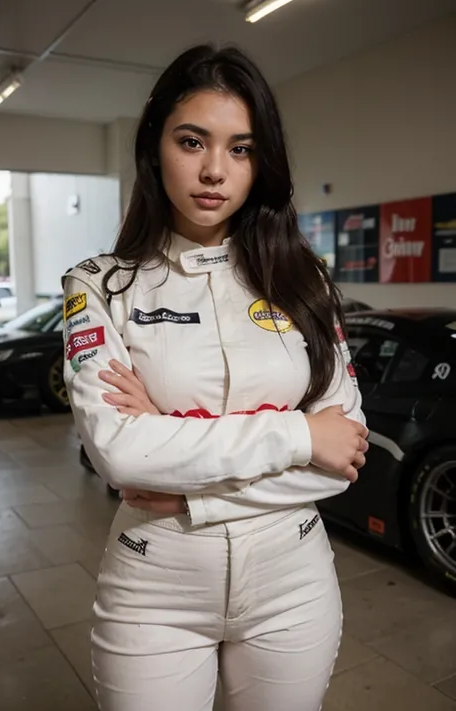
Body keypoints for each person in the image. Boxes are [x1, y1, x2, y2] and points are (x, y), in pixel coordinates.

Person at [62, 44, 368, 711]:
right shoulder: (99, 286)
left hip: (295, 582)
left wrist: (181, 466)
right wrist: (299, 434)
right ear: (155, 146)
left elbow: (344, 453)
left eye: (241, 149)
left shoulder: (304, 282)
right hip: (154, 585)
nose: (214, 170)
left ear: (263, 162)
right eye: (192, 141)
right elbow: (119, 453)